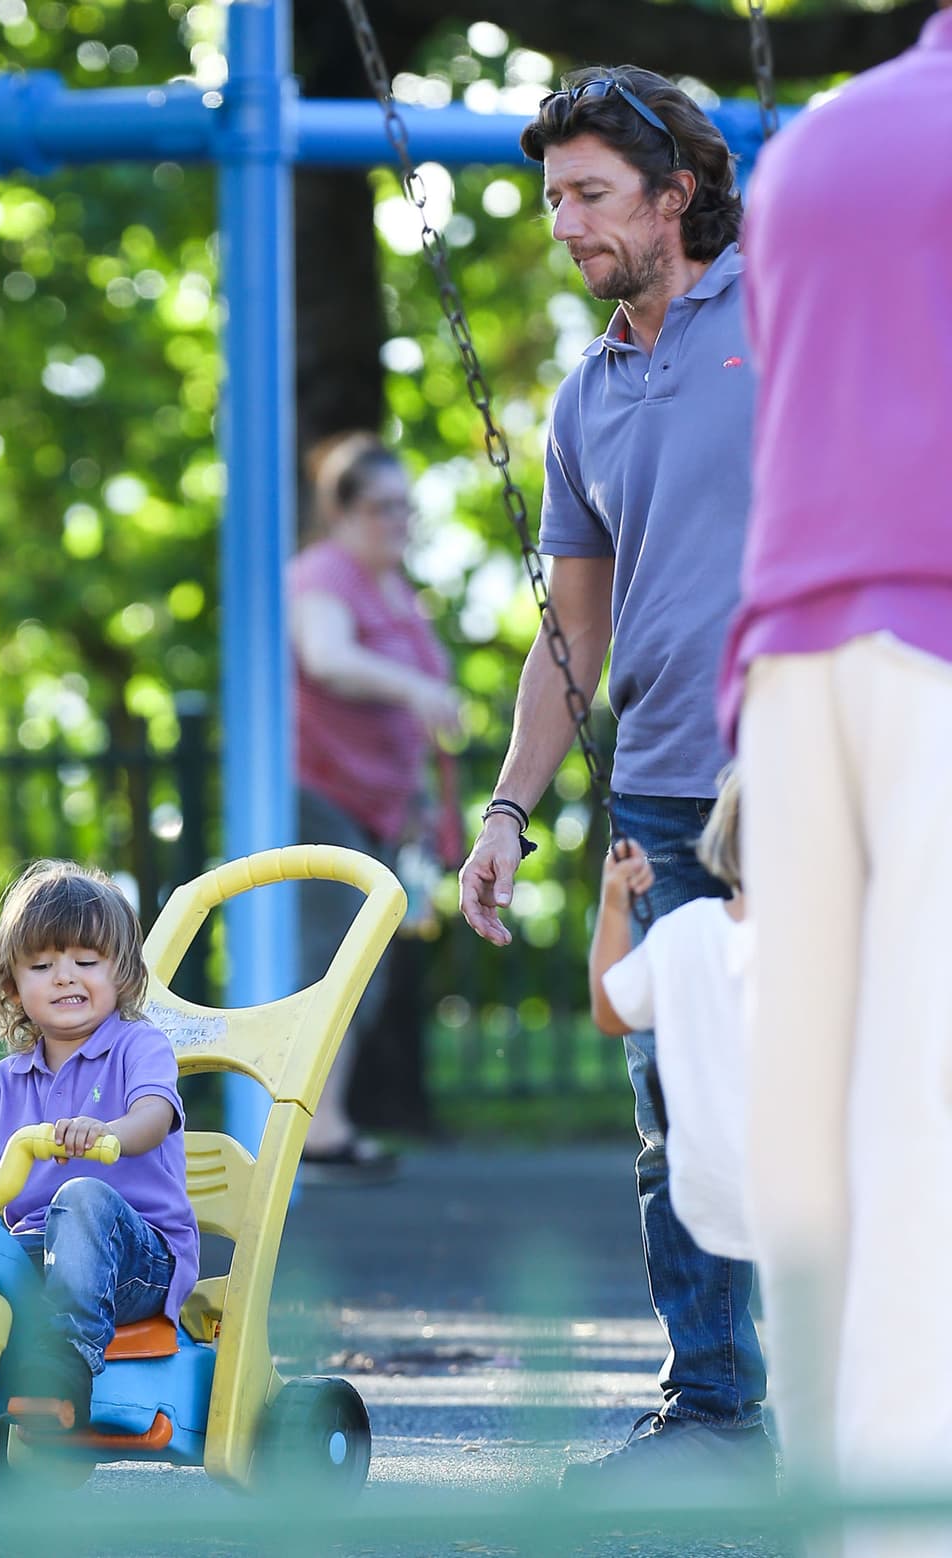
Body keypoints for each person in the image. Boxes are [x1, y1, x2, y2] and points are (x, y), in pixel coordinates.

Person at [458, 67, 772, 1488]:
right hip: (659, 796)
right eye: (554, 201)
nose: (567, 224)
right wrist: (510, 811)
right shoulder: (588, 391)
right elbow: (570, 637)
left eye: (590, 195)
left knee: (854, 1090)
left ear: (678, 191)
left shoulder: (784, 314)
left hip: (802, 776)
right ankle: (714, 1411)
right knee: (679, 1122)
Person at [717, 6, 952, 1544]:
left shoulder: (817, 149)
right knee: (927, 1116)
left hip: (794, 664)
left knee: (812, 1135)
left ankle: (832, 1509)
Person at [0, 859, 200, 1422]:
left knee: (81, 1196)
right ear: (12, 985)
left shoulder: (139, 1046)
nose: (65, 976)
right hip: (34, 1257)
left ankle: (66, 1362)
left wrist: (108, 1133)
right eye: (41, 965)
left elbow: (154, 1115)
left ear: (122, 975)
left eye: (86, 961)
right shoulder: (6, 1080)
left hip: (134, 1259)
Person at [290, 432, 462, 1180]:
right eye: (381, 508)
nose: (398, 522)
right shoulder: (323, 575)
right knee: (331, 964)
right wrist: (417, 688)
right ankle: (312, 1130)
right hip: (322, 797)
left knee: (361, 971)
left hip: (379, 811)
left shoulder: (394, 588)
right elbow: (327, 659)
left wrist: (422, 800)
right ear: (341, 512)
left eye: (405, 508)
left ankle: (328, 1122)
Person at [590, 769, 753, 1267]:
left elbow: (611, 1013)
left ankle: (711, 1349)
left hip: (709, 1188)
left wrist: (615, 908)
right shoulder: (841, 944)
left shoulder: (684, 933)